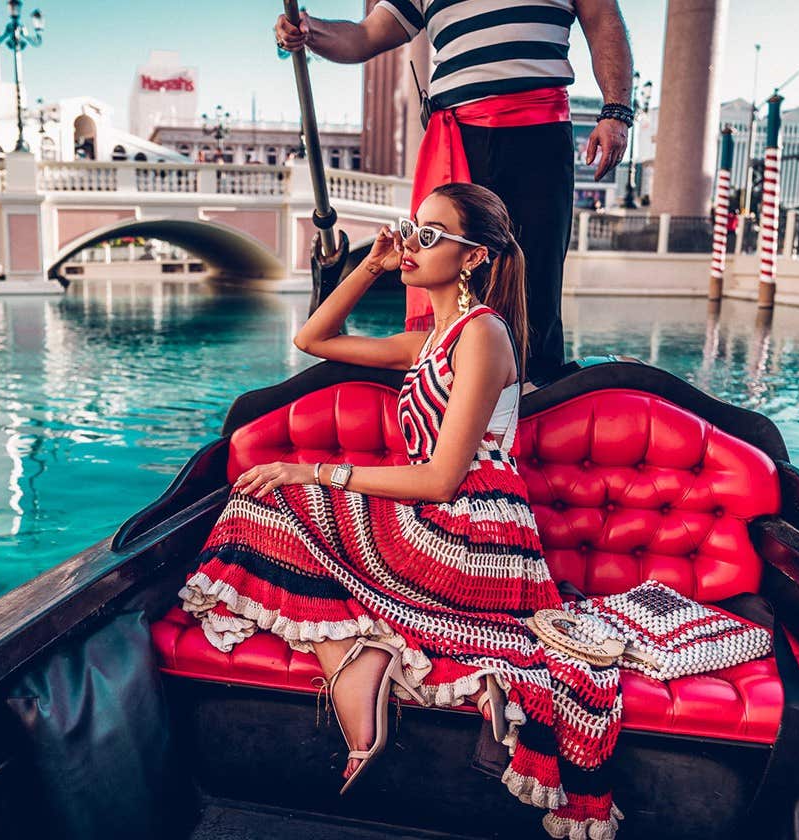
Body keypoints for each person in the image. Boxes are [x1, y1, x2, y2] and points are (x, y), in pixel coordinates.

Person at [181, 184, 623, 838]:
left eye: (432, 235)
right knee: (264, 500)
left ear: (473, 257)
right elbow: (313, 338)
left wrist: (315, 471)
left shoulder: (484, 335)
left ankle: (365, 670)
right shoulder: (429, 338)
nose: (414, 243)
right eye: (414, 229)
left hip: (473, 533)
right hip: (436, 523)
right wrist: (372, 263)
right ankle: (360, 666)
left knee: (280, 498)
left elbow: (445, 478)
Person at [276, 1, 634, 386]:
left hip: (538, 132)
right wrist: (310, 31)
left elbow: (603, 20)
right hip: (458, 135)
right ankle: (453, 382)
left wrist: (617, 111)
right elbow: (366, 36)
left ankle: (531, 389)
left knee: (535, 278)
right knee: (450, 268)